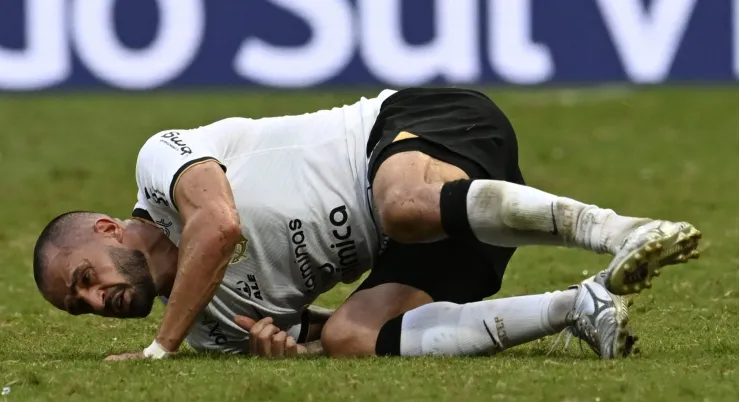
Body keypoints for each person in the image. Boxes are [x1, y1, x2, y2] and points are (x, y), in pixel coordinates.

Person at [31, 88, 701, 361]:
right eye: (80, 305)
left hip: (418, 130)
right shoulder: (206, 329)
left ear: (107, 228)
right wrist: (291, 349)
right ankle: (580, 308)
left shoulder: (160, 164)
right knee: (356, 339)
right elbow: (319, 332)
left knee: (400, 207)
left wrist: (160, 350)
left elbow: (219, 224)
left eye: (85, 277)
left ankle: (622, 231)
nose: (97, 300)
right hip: (449, 237)